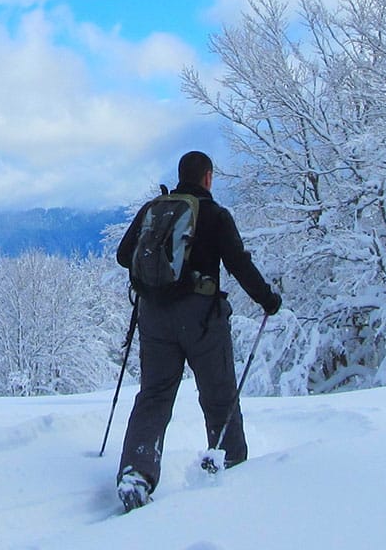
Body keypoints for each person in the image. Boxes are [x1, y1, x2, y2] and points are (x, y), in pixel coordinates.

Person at [113, 150, 280, 511]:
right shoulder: (216, 215)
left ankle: (136, 473)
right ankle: (229, 463)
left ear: (180, 175)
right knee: (219, 394)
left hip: (154, 315)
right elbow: (239, 264)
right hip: (202, 316)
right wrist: (268, 300)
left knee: (154, 395)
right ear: (208, 177)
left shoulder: (152, 210)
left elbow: (124, 255)